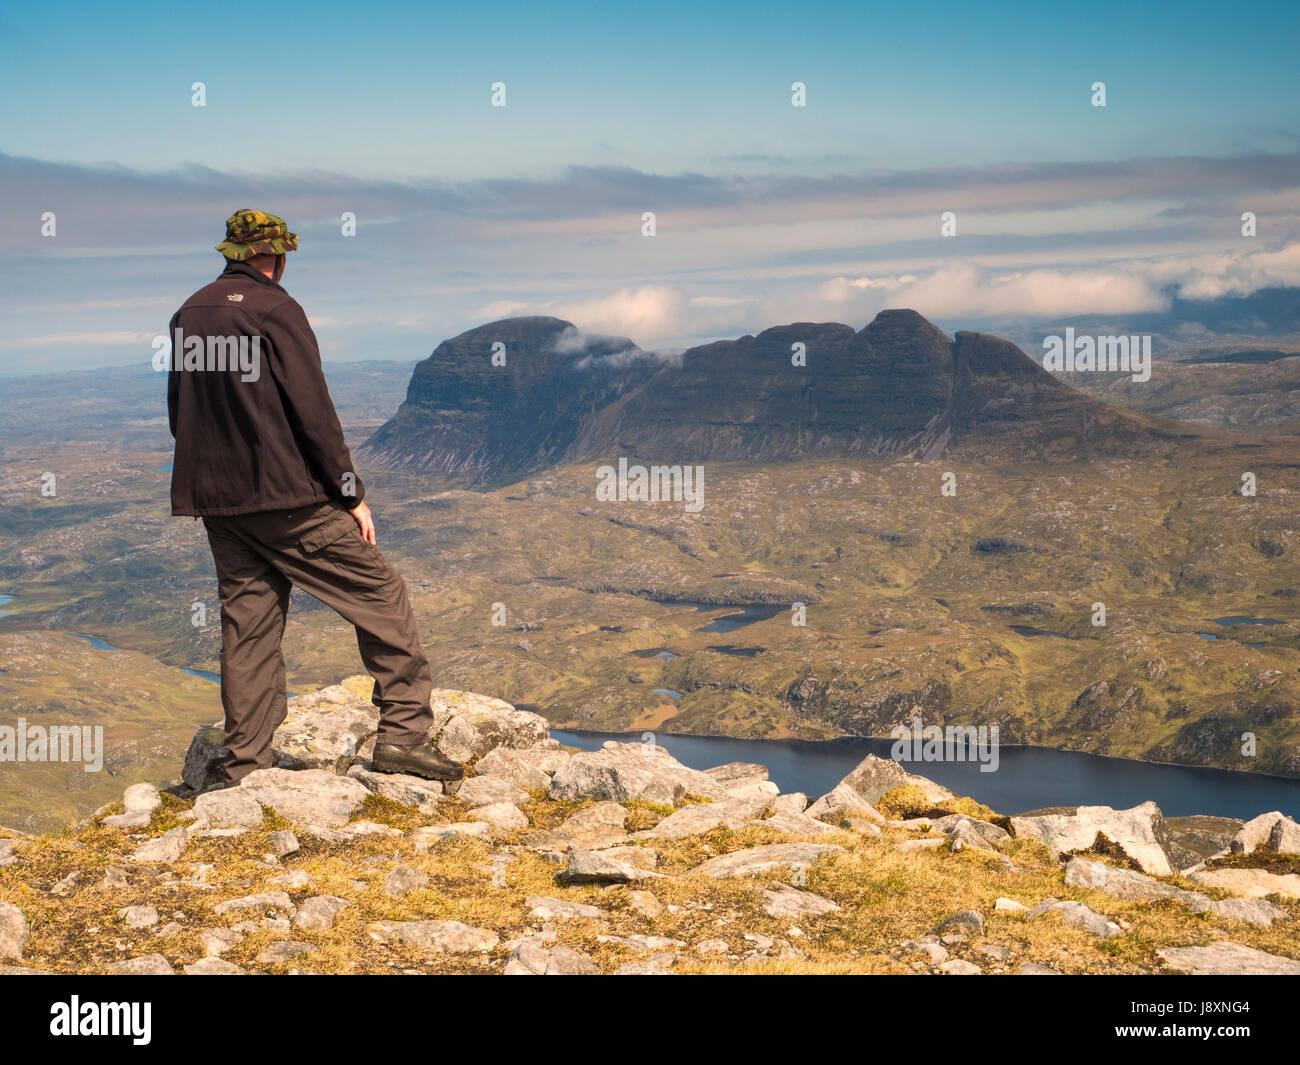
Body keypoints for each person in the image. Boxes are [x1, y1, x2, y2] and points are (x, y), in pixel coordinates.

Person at [167, 209, 462, 787]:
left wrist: (214, 480)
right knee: (381, 594)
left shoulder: (189, 313)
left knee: (248, 628)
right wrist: (349, 493)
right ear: (275, 256)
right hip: (287, 500)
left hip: (221, 505)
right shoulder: (277, 309)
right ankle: (403, 738)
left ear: (230, 252)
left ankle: (246, 766)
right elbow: (313, 412)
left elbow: (182, 408)